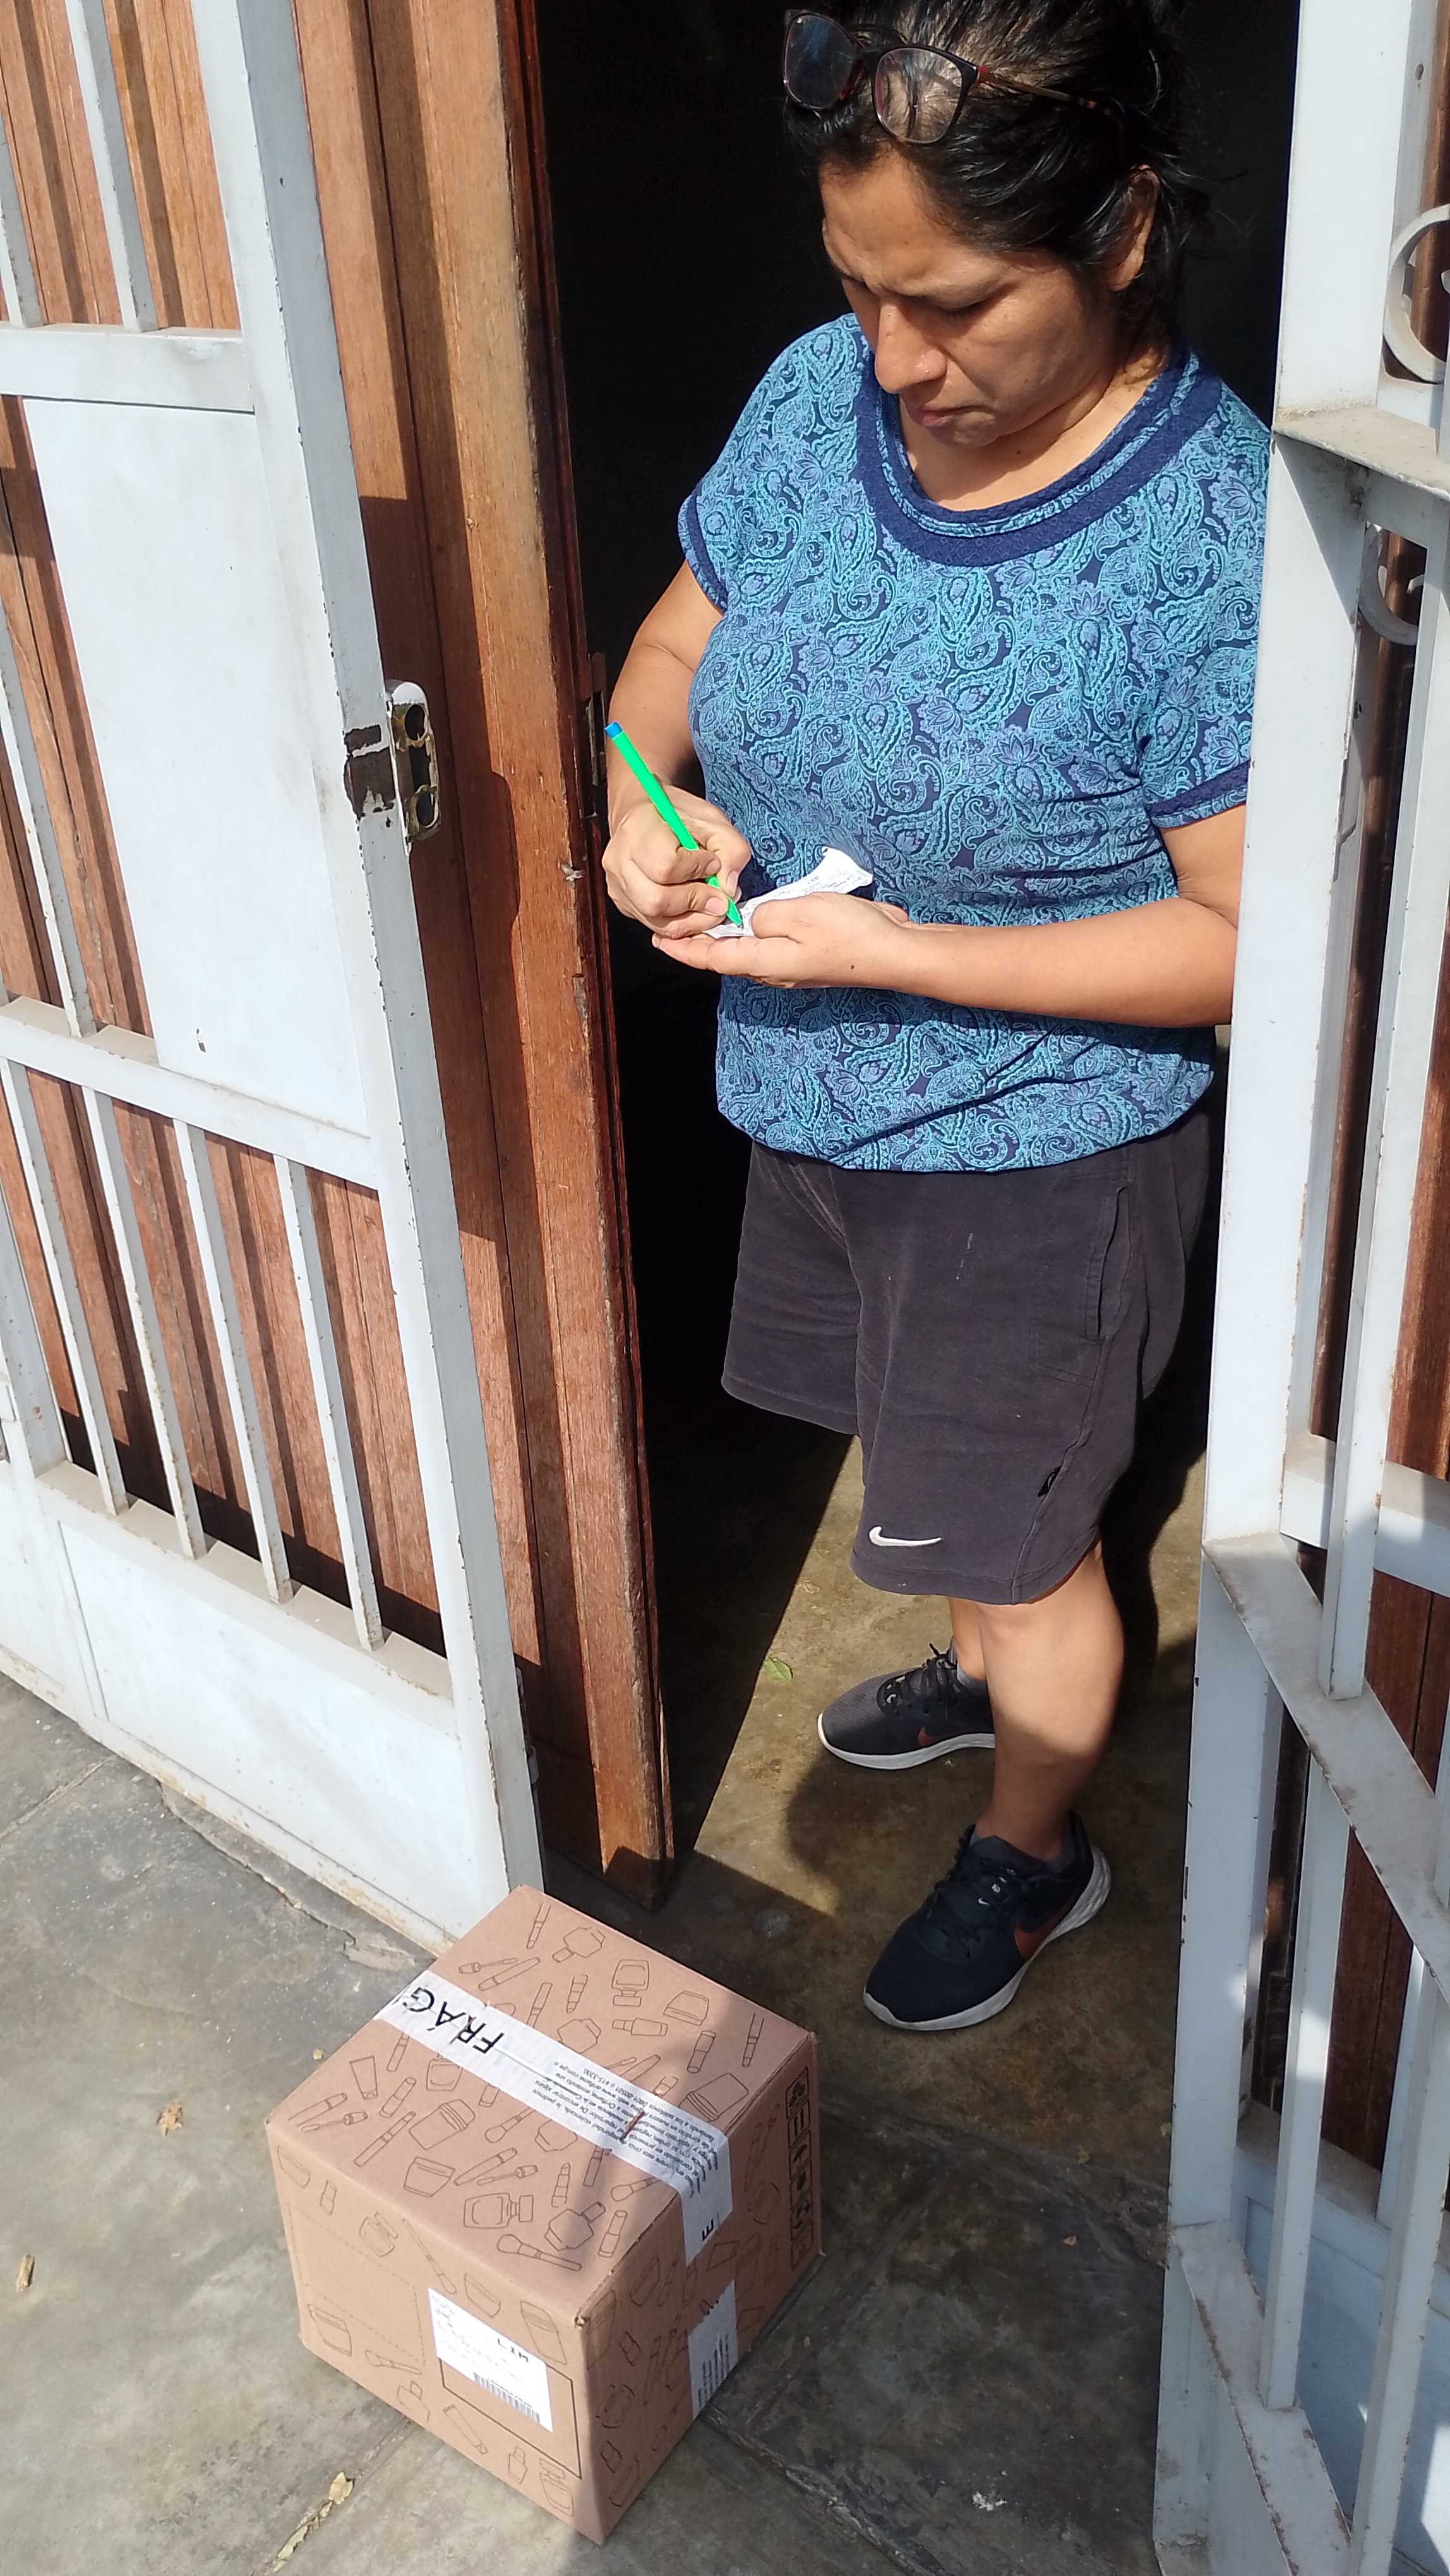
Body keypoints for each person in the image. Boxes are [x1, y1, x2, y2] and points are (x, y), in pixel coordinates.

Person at [602, 0, 1266, 2034]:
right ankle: (977, 1670)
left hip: (1035, 1151)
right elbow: (671, 652)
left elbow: (1238, 935)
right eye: (858, 288)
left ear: (1123, 234)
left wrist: (898, 956)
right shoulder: (820, 397)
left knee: (1035, 1531)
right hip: (812, 1098)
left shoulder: (1212, 538)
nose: (895, 360)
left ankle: (1035, 1845)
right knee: (939, 1463)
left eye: (957, 305)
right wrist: (647, 812)